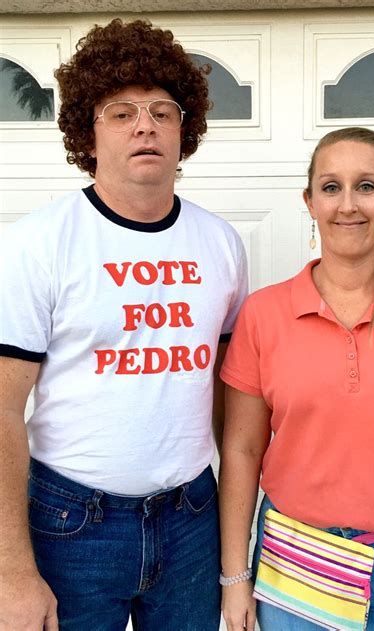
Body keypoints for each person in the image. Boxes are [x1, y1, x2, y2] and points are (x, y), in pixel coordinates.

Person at [0, 18, 247, 631]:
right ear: (89, 130)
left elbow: (230, 397)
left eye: (163, 111)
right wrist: (11, 573)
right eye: (121, 112)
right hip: (71, 526)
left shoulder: (221, 244)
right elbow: (3, 409)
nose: (145, 125)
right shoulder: (37, 244)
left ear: (183, 131)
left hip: (193, 516)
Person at [218, 126, 374, 631]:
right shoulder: (264, 315)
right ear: (309, 201)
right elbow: (242, 451)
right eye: (331, 187)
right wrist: (234, 576)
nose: (348, 204)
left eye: (367, 186)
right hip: (296, 556)